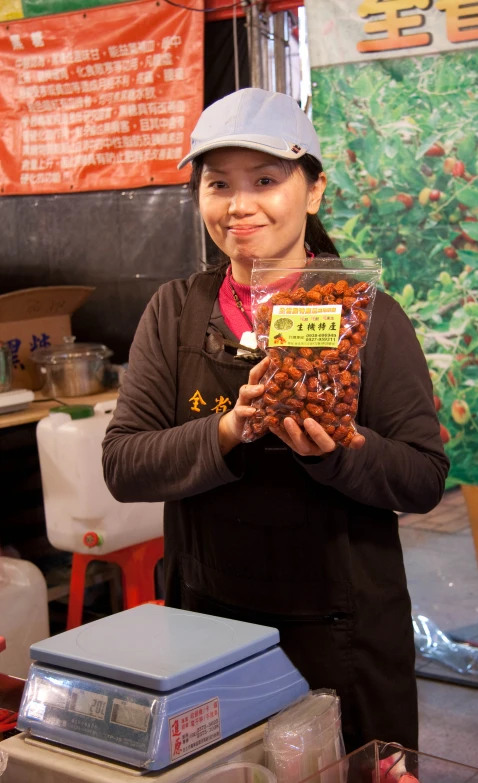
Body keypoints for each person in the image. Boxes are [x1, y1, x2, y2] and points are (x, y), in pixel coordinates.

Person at [102, 88, 449, 751]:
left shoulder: (368, 316)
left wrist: (338, 449)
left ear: (313, 192)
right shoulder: (174, 311)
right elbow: (123, 464)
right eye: (218, 184)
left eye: (265, 180)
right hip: (208, 627)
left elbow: (423, 477)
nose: (240, 205)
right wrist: (230, 429)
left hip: (341, 636)